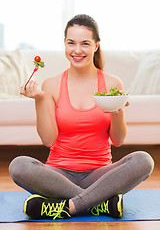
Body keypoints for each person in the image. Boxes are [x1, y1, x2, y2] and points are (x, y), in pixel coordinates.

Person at [9, 14, 154, 220]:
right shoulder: (51, 84)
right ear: (65, 45)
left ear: (96, 46)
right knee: (19, 165)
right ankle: (100, 203)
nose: (77, 50)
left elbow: (119, 141)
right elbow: (48, 140)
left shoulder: (113, 84)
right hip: (59, 173)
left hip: (101, 175)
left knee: (144, 160)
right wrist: (39, 99)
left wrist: (117, 112)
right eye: (71, 43)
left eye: (85, 43)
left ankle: (66, 205)